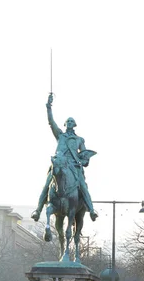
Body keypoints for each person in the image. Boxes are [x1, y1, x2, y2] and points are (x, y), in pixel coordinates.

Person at [31, 93, 98, 222]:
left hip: (73, 166)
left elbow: (84, 154)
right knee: (47, 185)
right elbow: (51, 122)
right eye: (68, 121)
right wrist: (48, 107)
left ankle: (91, 210)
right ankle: (38, 210)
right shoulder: (60, 136)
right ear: (65, 124)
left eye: (72, 121)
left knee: (83, 186)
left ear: (75, 125)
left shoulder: (79, 139)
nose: (70, 123)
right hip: (58, 163)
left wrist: (83, 161)